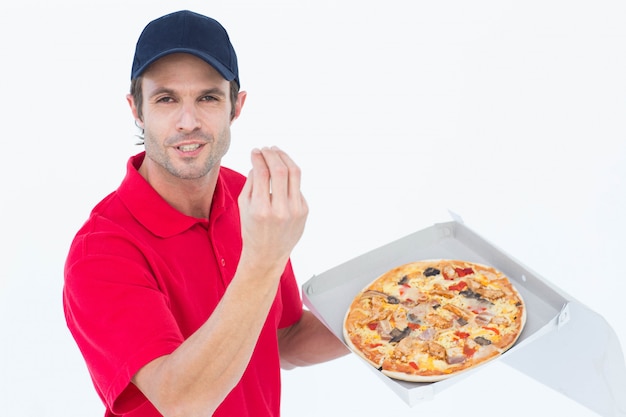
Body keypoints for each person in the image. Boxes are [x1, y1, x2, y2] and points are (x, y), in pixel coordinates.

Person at [63, 10, 348, 417]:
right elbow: (182, 402)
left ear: (236, 105)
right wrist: (262, 260)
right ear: (136, 109)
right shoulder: (102, 251)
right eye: (166, 99)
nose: (188, 121)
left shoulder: (246, 198)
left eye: (208, 97)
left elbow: (282, 338)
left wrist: (402, 313)